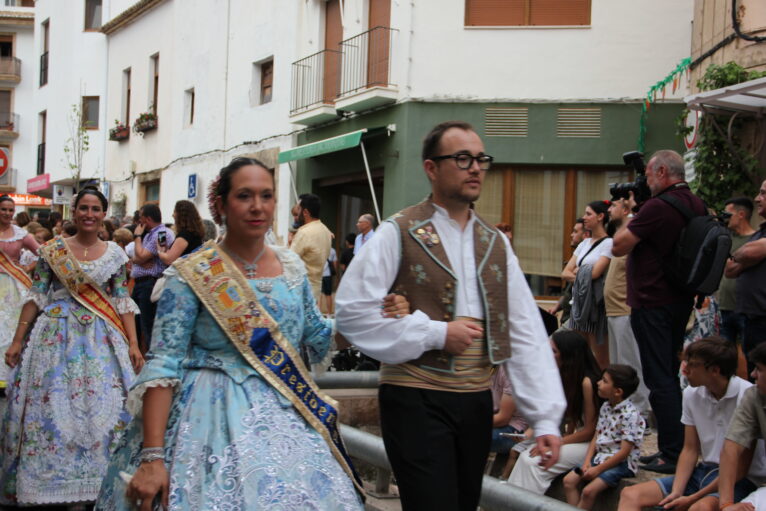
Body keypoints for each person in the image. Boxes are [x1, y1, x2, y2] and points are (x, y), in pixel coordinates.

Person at [96, 157, 410, 510]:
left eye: (266, 195)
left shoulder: (291, 267)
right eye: (245, 195)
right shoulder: (190, 275)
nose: (257, 206)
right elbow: (164, 364)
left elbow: (317, 333)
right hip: (204, 422)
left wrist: (375, 316)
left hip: (285, 408)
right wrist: (153, 457)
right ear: (220, 205)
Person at [336, 121, 565, 510]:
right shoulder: (398, 231)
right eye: (462, 158)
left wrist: (544, 417)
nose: (475, 168)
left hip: (476, 401)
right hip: (415, 397)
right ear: (431, 168)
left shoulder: (495, 243)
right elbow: (351, 312)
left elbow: (524, 329)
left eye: (480, 159)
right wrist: (435, 334)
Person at [0, 187, 143, 507]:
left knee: (106, 404)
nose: (89, 214)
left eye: (95, 209)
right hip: (55, 337)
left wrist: (133, 344)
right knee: (51, 403)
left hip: (102, 336)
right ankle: (50, 480)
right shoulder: (52, 251)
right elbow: (36, 295)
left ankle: (99, 480)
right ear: (73, 212)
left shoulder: (116, 255)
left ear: (103, 214)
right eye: (83, 208)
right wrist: (18, 340)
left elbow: (121, 300)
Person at [613, 149, 707, 474]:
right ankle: (676, 447)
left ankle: (672, 451)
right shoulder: (695, 203)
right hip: (680, 299)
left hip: (653, 301)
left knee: (659, 378)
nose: (646, 182)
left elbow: (618, 244)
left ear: (664, 172)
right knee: (668, 372)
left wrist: (631, 213)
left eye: (650, 176)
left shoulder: (657, 207)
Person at [619, 337, 765, 511]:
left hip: (739, 479)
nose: (685, 370)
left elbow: (740, 464)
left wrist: (692, 498)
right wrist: (676, 491)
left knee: (701, 506)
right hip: (703, 471)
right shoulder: (691, 394)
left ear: (715, 370)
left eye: (693, 365)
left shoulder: (746, 394)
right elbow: (690, 449)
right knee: (630, 494)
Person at [508, 330, 600, 495]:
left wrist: (560, 441)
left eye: (554, 351)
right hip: (574, 439)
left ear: (568, 355)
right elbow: (572, 418)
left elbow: (589, 431)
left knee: (534, 462)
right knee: (526, 456)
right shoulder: (565, 376)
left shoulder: (587, 382)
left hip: (593, 444)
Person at [564, 364, 645, 510]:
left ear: (618, 391)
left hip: (621, 463)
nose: (598, 383)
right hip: (600, 457)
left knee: (588, 491)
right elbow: (597, 435)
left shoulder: (630, 415)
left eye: (604, 381)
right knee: (568, 481)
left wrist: (598, 469)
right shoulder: (606, 406)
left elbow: (624, 452)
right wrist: (587, 461)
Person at [604, 198, 650, 415]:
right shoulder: (620, 234)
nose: (609, 210)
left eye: (614, 206)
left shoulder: (634, 232)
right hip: (612, 309)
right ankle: (622, 409)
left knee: (631, 363)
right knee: (618, 365)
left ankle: (640, 411)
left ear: (625, 209)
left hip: (626, 309)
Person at [563, 201, 613, 369]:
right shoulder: (584, 244)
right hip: (579, 303)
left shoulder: (608, 243)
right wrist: (582, 272)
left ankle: (600, 391)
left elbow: (595, 273)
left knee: (600, 358)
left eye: (588, 214)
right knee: (578, 354)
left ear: (600, 217)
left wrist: (578, 270)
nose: (584, 218)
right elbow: (565, 272)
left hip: (595, 305)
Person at [725, 180, 766, 374]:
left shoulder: (755, 237)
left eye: (764, 194)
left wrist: (746, 256)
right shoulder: (760, 234)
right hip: (752, 318)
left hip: (763, 319)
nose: (758, 198)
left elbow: (747, 252)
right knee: (754, 375)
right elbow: (730, 269)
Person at [0, 195, 39, 393]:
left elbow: (43, 253)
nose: (7, 213)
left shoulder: (20, 234)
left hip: (14, 287)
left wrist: (28, 267)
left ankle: (8, 376)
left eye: (10, 210)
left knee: (11, 329)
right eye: (3, 209)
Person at [131, 203, 175, 350]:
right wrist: (139, 259)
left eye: (141, 218)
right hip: (140, 284)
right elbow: (137, 258)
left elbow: (143, 255)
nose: (139, 222)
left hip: (150, 284)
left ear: (148, 219)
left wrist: (137, 237)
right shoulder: (150, 234)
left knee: (147, 324)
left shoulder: (162, 233)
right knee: (136, 322)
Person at [719, 198, 755, 349]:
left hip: (746, 310)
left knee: (750, 353)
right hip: (724, 308)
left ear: (741, 214)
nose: (725, 218)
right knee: (722, 356)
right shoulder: (726, 239)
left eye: (728, 214)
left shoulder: (757, 240)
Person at [290, 193, 332, 301]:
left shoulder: (304, 232)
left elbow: (289, 261)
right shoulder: (326, 231)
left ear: (305, 212)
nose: (296, 214)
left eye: (298, 209)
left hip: (300, 292)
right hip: (315, 290)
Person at [549, 218, 590, 326]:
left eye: (576, 231)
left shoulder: (588, 260)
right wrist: (556, 307)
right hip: (567, 317)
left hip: (577, 318)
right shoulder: (575, 260)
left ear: (585, 235)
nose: (571, 235)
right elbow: (567, 291)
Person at [156, 199, 204, 267]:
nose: (173, 215)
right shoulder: (193, 233)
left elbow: (169, 259)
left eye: (175, 212)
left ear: (181, 215)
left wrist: (159, 250)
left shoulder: (185, 235)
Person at [320, 246, 337, 314]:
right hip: (328, 275)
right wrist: (335, 274)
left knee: (318, 294)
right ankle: (329, 313)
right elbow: (335, 263)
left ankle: (318, 311)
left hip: (319, 274)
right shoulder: (332, 250)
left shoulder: (318, 248)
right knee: (328, 294)